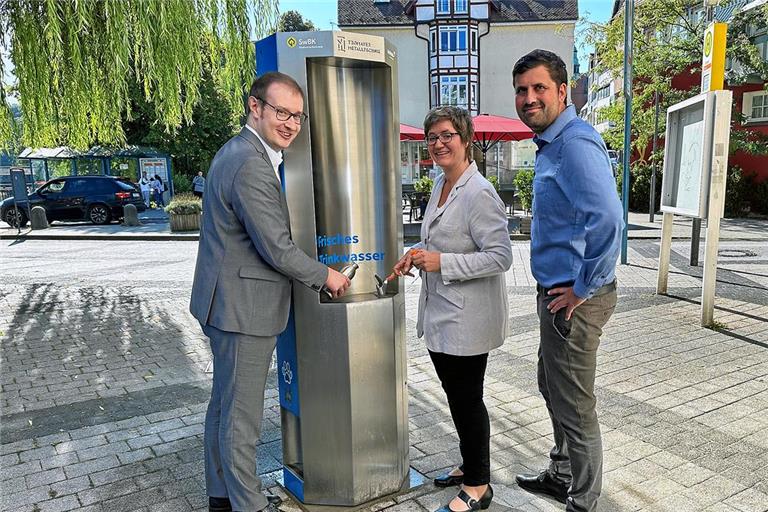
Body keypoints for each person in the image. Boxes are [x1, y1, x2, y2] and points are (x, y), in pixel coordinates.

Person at [189, 71, 351, 512]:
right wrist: (327, 276)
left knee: (224, 408)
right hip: (243, 310)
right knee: (241, 420)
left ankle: (221, 498)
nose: (291, 123)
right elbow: (277, 247)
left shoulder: (241, 153)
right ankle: (249, 506)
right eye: (282, 111)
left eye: (297, 116)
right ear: (254, 107)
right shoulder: (249, 163)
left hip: (226, 303)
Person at [511, 49, 623, 512]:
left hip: (574, 299)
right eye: (521, 89)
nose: (529, 98)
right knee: (549, 383)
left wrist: (582, 288)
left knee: (575, 406)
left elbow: (610, 222)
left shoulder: (574, 144)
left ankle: (583, 501)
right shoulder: (552, 144)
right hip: (557, 295)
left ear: (562, 91)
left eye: (539, 88)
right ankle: (561, 474)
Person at [392, 106, 512, 512]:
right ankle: (469, 464)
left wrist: (441, 262)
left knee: (467, 399)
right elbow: (440, 242)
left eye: (447, 135)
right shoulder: (441, 185)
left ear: (465, 140)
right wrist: (417, 254)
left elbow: (500, 257)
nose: (439, 143)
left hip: (468, 318)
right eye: (432, 138)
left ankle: (479, 485)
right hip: (442, 312)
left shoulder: (479, 192)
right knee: (456, 396)